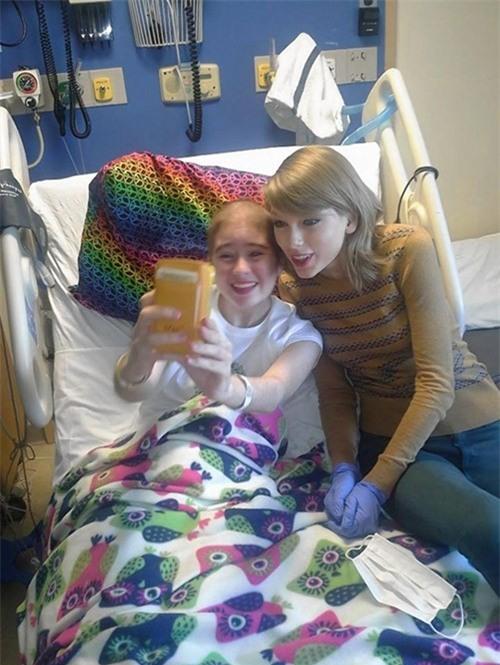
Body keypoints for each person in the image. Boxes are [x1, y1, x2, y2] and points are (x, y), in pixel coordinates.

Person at [263, 145, 500, 593]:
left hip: (482, 424)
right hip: (401, 450)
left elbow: (436, 383)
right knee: (489, 526)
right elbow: (335, 394)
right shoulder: (296, 287)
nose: (292, 242)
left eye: (310, 221)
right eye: (280, 223)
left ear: (350, 218)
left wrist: (376, 485)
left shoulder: (406, 250)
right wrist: (345, 469)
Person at [114, 199, 324, 455]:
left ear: (279, 262)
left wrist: (225, 388)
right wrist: (139, 357)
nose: (240, 269)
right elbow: (132, 392)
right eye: (226, 256)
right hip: (159, 447)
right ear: (211, 262)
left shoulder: (298, 335)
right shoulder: (180, 311)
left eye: (256, 254)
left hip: (237, 457)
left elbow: (275, 391)